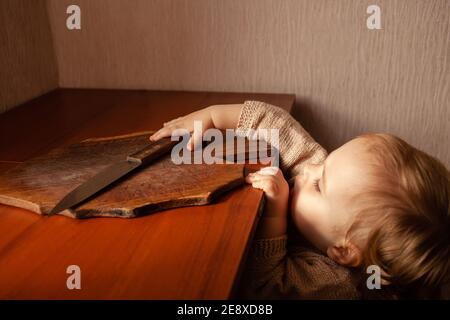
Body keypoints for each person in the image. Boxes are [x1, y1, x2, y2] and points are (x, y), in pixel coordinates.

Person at [150, 100, 450, 299]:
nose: (308, 168)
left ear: (343, 251)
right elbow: (278, 125)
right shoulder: (324, 180)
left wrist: (274, 219)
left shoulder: (334, 283)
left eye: (319, 183)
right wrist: (213, 116)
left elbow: (264, 289)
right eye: (327, 160)